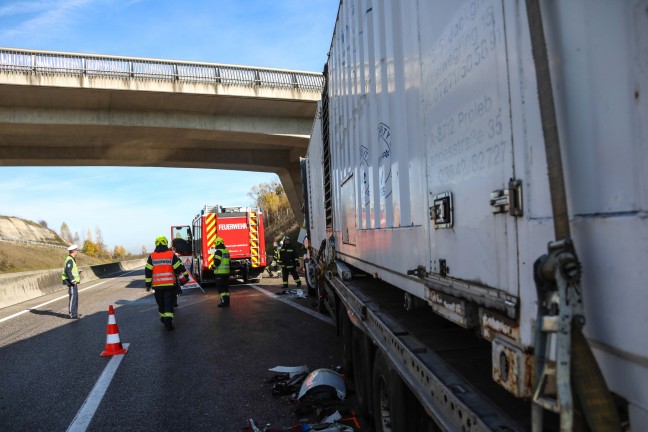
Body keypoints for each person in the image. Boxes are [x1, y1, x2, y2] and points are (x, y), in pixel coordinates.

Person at [145, 236, 189, 331]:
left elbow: (148, 271)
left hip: (157, 287)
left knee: (161, 304)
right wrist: (182, 278)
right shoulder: (171, 255)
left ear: (156, 244)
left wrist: (148, 285)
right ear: (166, 243)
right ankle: (168, 322)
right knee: (168, 304)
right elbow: (177, 269)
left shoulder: (152, 256)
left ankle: (163, 318)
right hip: (170, 285)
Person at [62, 244, 82, 319]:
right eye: (76, 250)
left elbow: (72, 270)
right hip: (71, 282)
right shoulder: (70, 259)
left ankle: (74, 313)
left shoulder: (71, 259)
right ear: (73, 251)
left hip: (73, 281)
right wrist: (72, 280)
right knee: (73, 297)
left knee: (75, 297)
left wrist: (78, 272)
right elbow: (68, 270)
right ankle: (72, 314)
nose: (77, 251)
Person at [210, 236, 231, 308]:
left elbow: (217, 262)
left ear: (217, 244)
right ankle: (227, 302)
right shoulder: (226, 251)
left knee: (221, 289)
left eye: (215, 244)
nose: (215, 246)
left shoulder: (218, 252)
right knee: (226, 289)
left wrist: (212, 267)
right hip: (226, 272)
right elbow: (229, 261)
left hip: (220, 273)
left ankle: (223, 303)